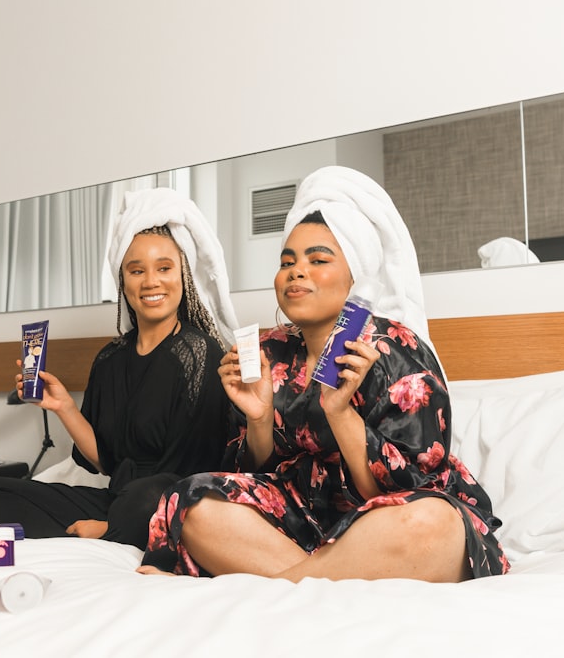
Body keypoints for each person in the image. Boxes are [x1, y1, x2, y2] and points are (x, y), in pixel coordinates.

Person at [137, 166, 509, 581]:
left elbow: (399, 492)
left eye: (318, 260)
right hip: (300, 526)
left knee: (429, 523)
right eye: (288, 261)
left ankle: (287, 584)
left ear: (355, 276)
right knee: (193, 501)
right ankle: (322, 580)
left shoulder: (395, 349)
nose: (297, 271)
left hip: (385, 524)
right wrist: (258, 418)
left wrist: (339, 412)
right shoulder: (270, 351)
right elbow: (251, 476)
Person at [0, 187, 239, 550]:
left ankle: (109, 530)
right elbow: (105, 463)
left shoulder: (199, 353)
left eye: (164, 268)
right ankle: (105, 527)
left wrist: (119, 517)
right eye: (136, 270)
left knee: (148, 493)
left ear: (182, 276)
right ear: (123, 281)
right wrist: (63, 407)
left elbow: (193, 477)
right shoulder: (110, 358)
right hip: (119, 499)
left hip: (171, 503)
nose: (151, 281)